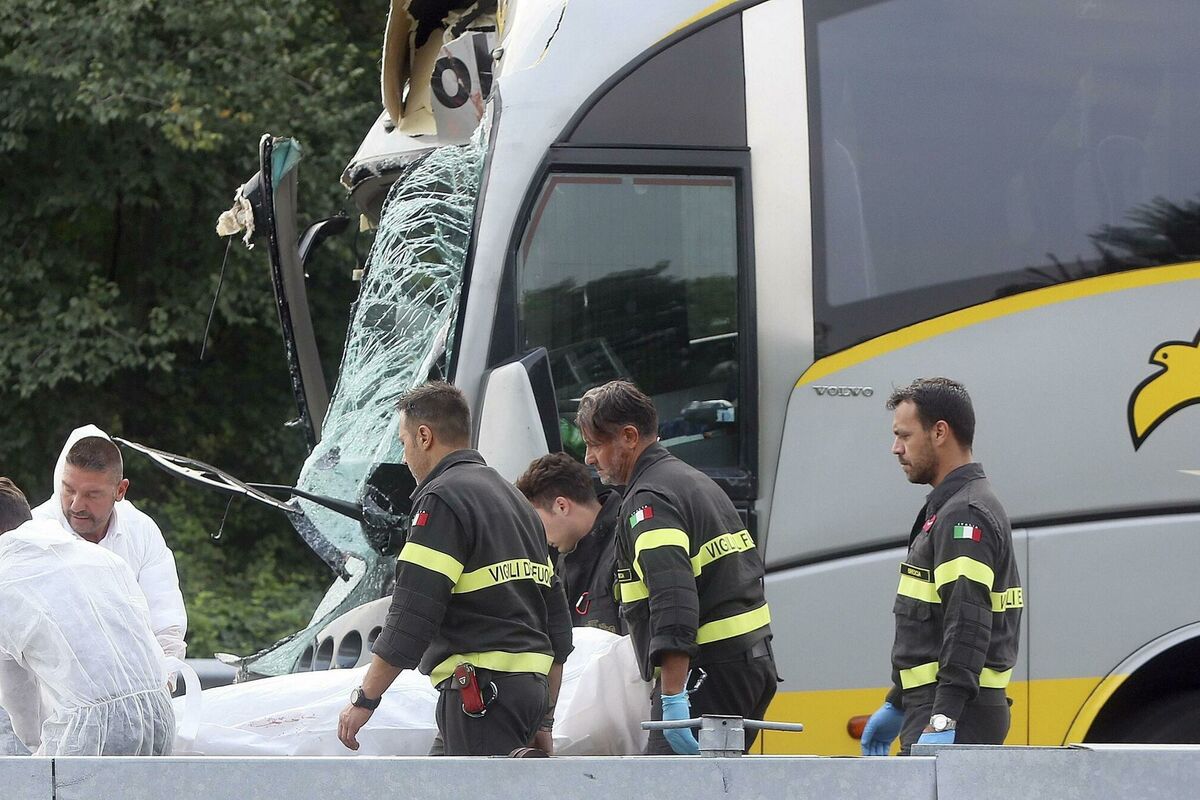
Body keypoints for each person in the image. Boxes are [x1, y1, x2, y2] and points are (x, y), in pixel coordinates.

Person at [338, 381, 573, 756]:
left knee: (465, 784)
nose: (404, 458)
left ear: (424, 437)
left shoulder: (442, 499)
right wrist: (543, 717)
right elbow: (557, 622)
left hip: (481, 695)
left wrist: (365, 699)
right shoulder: (515, 501)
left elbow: (412, 612)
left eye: (403, 443)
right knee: (438, 779)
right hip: (523, 691)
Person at [575, 380, 776, 756]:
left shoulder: (649, 500)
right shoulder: (690, 481)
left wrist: (672, 695)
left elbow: (673, 600)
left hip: (707, 673)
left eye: (595, 444)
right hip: (746, 663)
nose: (588, 458)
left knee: (667, 782)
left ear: (629, 437)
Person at [861, 378, 1023, 756]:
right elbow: (933, 625)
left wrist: (943, 719)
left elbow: (967, 621)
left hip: (955, 713)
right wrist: (899, 701)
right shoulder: (951, 507)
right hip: (939, 706)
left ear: (939, 432)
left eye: (904, 435)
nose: (896, 448)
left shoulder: (964, 514)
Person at [0, 477, 175, 755]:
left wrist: (34, 755)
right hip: (160, 719)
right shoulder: (103, 558)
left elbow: (19, 700)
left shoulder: (5, 581)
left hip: (88, 737)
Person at [32, 425, 188, 664]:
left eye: (92, 495)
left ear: (120, 490)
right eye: (68, 490)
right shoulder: (33, 534)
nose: (76, 505)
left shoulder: (141, 531)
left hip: (137, 677)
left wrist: (165, 678)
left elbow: (166, 624)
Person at [516, 452, 625, 634]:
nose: (537, 535)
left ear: (562, 506)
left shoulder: (624, 546)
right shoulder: (566, 561)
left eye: (537, 523)